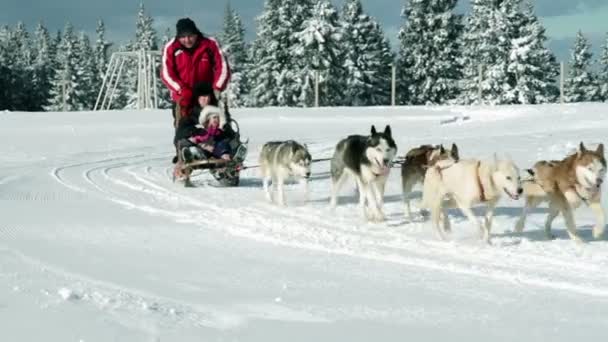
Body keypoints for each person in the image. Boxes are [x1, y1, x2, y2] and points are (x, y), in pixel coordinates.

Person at [161, 17, 231, 161]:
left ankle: (222, 152)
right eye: (183, 37)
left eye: (190, 36)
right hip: (183, 98)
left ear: (196, 34)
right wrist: (180, 90)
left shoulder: (209, 44)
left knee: (216, 126)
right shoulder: (171, 47)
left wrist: (217, 87)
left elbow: (222, 66)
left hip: (207, 96)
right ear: (178, 37)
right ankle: (186, 152)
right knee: (184, 127)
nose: (187, 40)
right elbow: (166, 73)